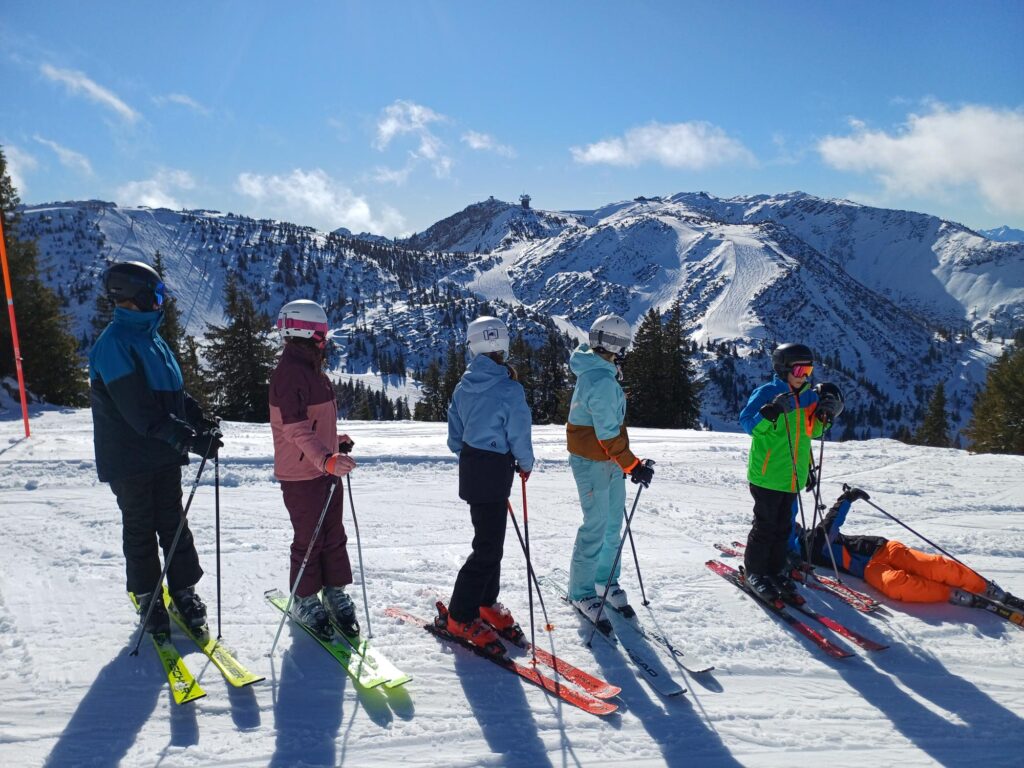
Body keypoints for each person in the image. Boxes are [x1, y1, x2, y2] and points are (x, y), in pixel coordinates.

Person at [89, 261, 222, 636]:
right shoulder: (113, 345)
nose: (162, 302)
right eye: (158, 295)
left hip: (162, 452)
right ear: (138, 295)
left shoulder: (151, 339)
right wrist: (189, 439)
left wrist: (199, 420)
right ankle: (149, 596)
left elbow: (174, 395)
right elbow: (140, 411)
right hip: (129, 458)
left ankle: (183, 591)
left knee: (174, 523)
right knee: (141, 528)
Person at [443, 316, 534, 656]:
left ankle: (485, 601)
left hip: (473, 467)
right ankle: (460, 614)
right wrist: (525, 463)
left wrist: (471, 455)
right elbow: (519, 432)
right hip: (496, 469)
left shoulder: (463, 386)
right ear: (503, 345)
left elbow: (454, 435)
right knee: (488, 547)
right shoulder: (509, 388)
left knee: (490, 540)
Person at [269, 299, 359, 639]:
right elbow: (294, 429)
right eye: (321, 332)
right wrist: (325, 458)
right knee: (309, 538)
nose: (325, 338)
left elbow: (315, 423)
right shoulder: (290, 373)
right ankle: (304, 598)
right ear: (305, 332)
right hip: (302, 473)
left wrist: (335, 442)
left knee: (333, 534)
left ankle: (334, 591)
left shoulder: (310, 368)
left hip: (324, 467)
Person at [565, 314, 654, 622]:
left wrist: (627, 463)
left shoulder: (601, 371)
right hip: (593, 461)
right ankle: (582, 592)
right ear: (617, 346)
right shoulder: (601, 380)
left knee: (613, 523)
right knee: (596, 525)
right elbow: (606, 434)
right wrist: (633, 465)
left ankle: (604, 580)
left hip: (609, 460)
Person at [795, 487, 1007, 605]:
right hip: (868, 570)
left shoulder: (813, 538)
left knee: (933, 566)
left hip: (882, 549)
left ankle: (983, 587)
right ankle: (948, 593)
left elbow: (831, 523)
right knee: (896, 585)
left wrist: (846, 499)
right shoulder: (797, 554)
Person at [738, 342, 826, 604]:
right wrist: (770, 413)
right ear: (783, 368)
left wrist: (827, 416)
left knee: (783, 527)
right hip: (767, 475)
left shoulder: (809, 397)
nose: (804, 376)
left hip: (793, 476)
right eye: (799, 370)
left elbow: (813, 432)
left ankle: (776, 571)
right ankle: (755, 572)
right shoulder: (767, 392)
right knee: (765, 527)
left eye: (808, 371)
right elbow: (749, 426)